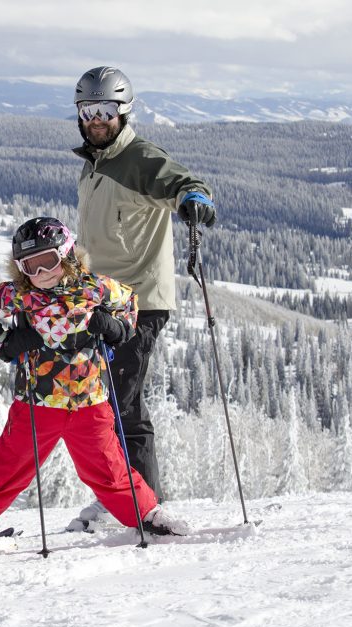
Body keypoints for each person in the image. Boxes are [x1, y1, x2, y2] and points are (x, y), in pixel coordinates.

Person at [0, 217, 189, 557]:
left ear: (65, 254)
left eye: (47, 261)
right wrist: (6, 342)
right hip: (37, 405)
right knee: (6, 468)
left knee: (109, 468)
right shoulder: (21, 295)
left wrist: (115, 328)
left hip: (89, 403)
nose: (41, 273)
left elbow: (129, 304)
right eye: (29, 266)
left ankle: (147, 514)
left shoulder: (94, 288)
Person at [69, 66, 216, 528]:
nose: (96, 118)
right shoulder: (96, 162)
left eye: (106, 110)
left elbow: (181, 182)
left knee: (122, 402)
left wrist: (195, 198)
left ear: (123, 111)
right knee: (105, 400)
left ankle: (141, 504)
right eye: (88, 109)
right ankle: (123, 498)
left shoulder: (138, 158)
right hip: (102, 300)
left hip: (138, 301)